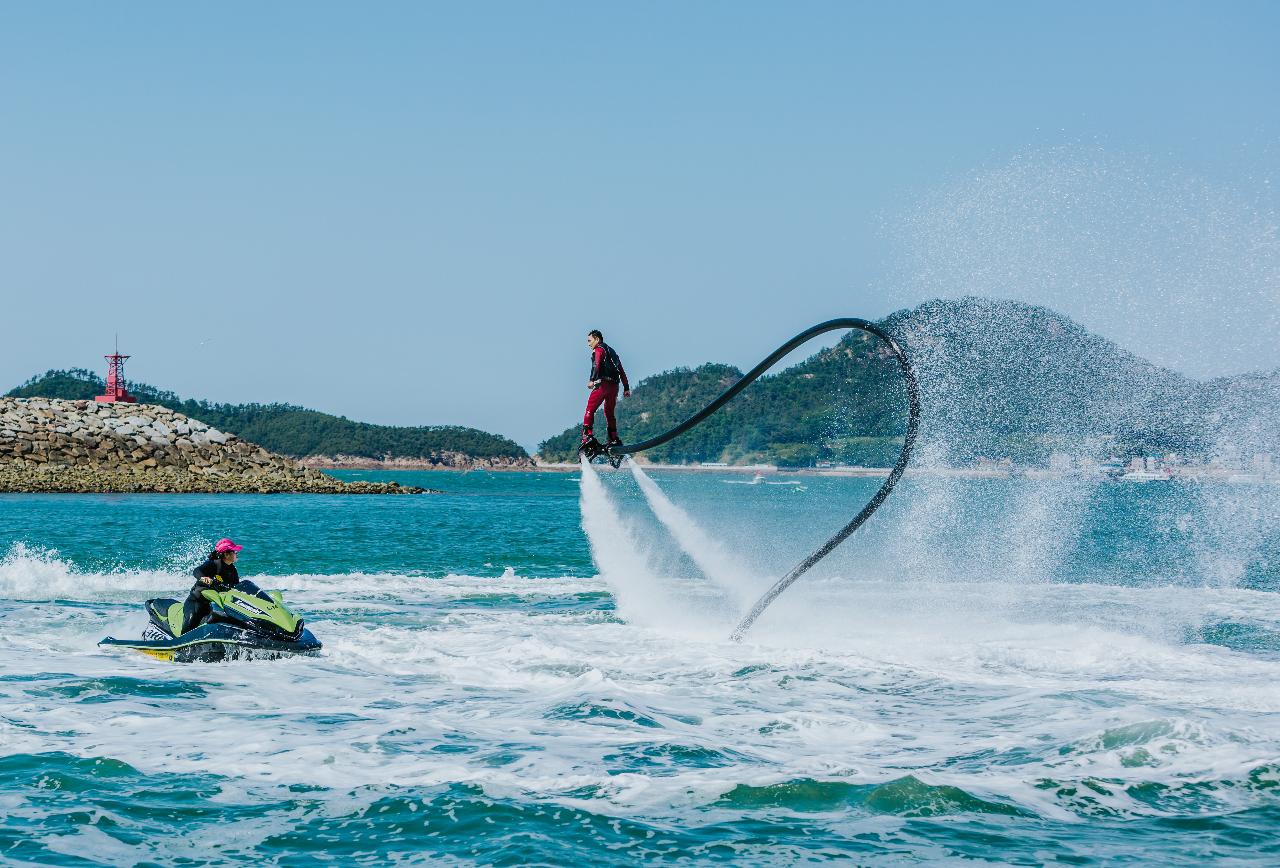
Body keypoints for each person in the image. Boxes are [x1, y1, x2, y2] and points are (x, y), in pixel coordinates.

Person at [180, 538, 243, 635]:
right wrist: (204, 578)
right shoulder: (213, 564)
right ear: (226, 554)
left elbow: (237, 587)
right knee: (193, 618)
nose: (236, 554)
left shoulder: (232, 569)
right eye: (234, 552)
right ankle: (181, 644)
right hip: (197, 602)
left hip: (215, 604)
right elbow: (196, 571)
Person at [582, 329, 631, 448]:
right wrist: (626, 387)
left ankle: (587, 436)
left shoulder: (599, 349)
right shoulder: (613, 352)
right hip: (614, 386)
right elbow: (621, 370)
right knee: (609, 413)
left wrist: (592, 380)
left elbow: (596, 364)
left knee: (589, 410)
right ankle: (613, 438)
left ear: (597, 339)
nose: (588, 344)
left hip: (602, 385)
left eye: (589, 341)